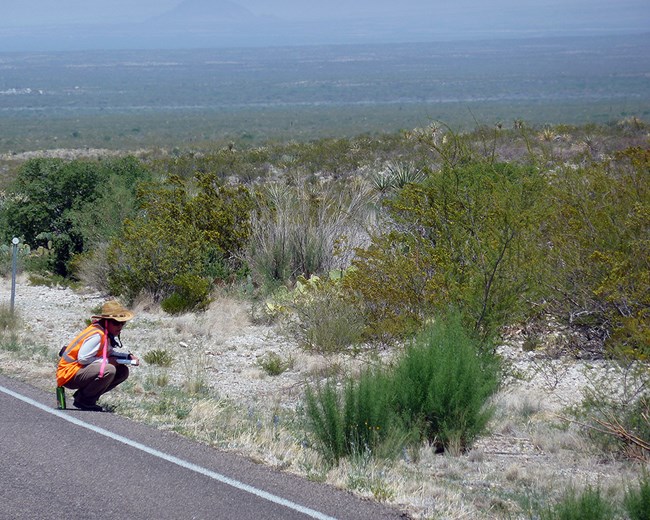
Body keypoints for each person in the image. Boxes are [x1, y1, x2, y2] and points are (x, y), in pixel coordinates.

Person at [56, 300, 139, 411]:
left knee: (122, 371)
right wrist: (108, 362)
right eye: (116, 323)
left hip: (78, 371)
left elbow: (108, 352)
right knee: (109, 369)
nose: (120, 326)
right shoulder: (97, 335)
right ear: (106, 321)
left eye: (122, 323)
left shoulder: (105, 333)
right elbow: (83, 359)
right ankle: (85, 400)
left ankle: (85, 397)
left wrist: (127, 357)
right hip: (69, 374)